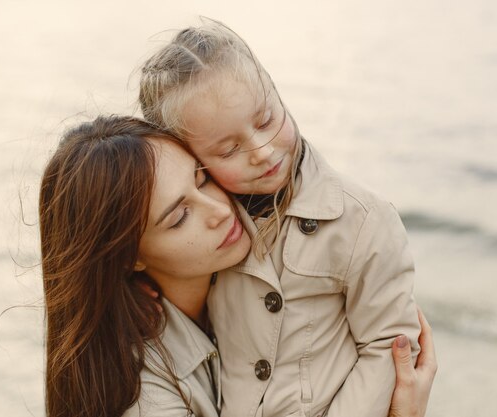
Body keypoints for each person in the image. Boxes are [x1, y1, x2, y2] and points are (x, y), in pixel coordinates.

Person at [39, 116, 436, 417]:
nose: (218, 211)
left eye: (203, 180)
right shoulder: (141, 394)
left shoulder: (264, 282)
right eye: (179, 218)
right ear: (129, 256)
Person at [139, 21, 421, 417]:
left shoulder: (360, 220)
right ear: (190, 160)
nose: (261, 151)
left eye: (267, 119)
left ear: (275, 90)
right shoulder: (217, 233)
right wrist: (133, 284)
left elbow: (389, 344)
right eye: (228, 149)